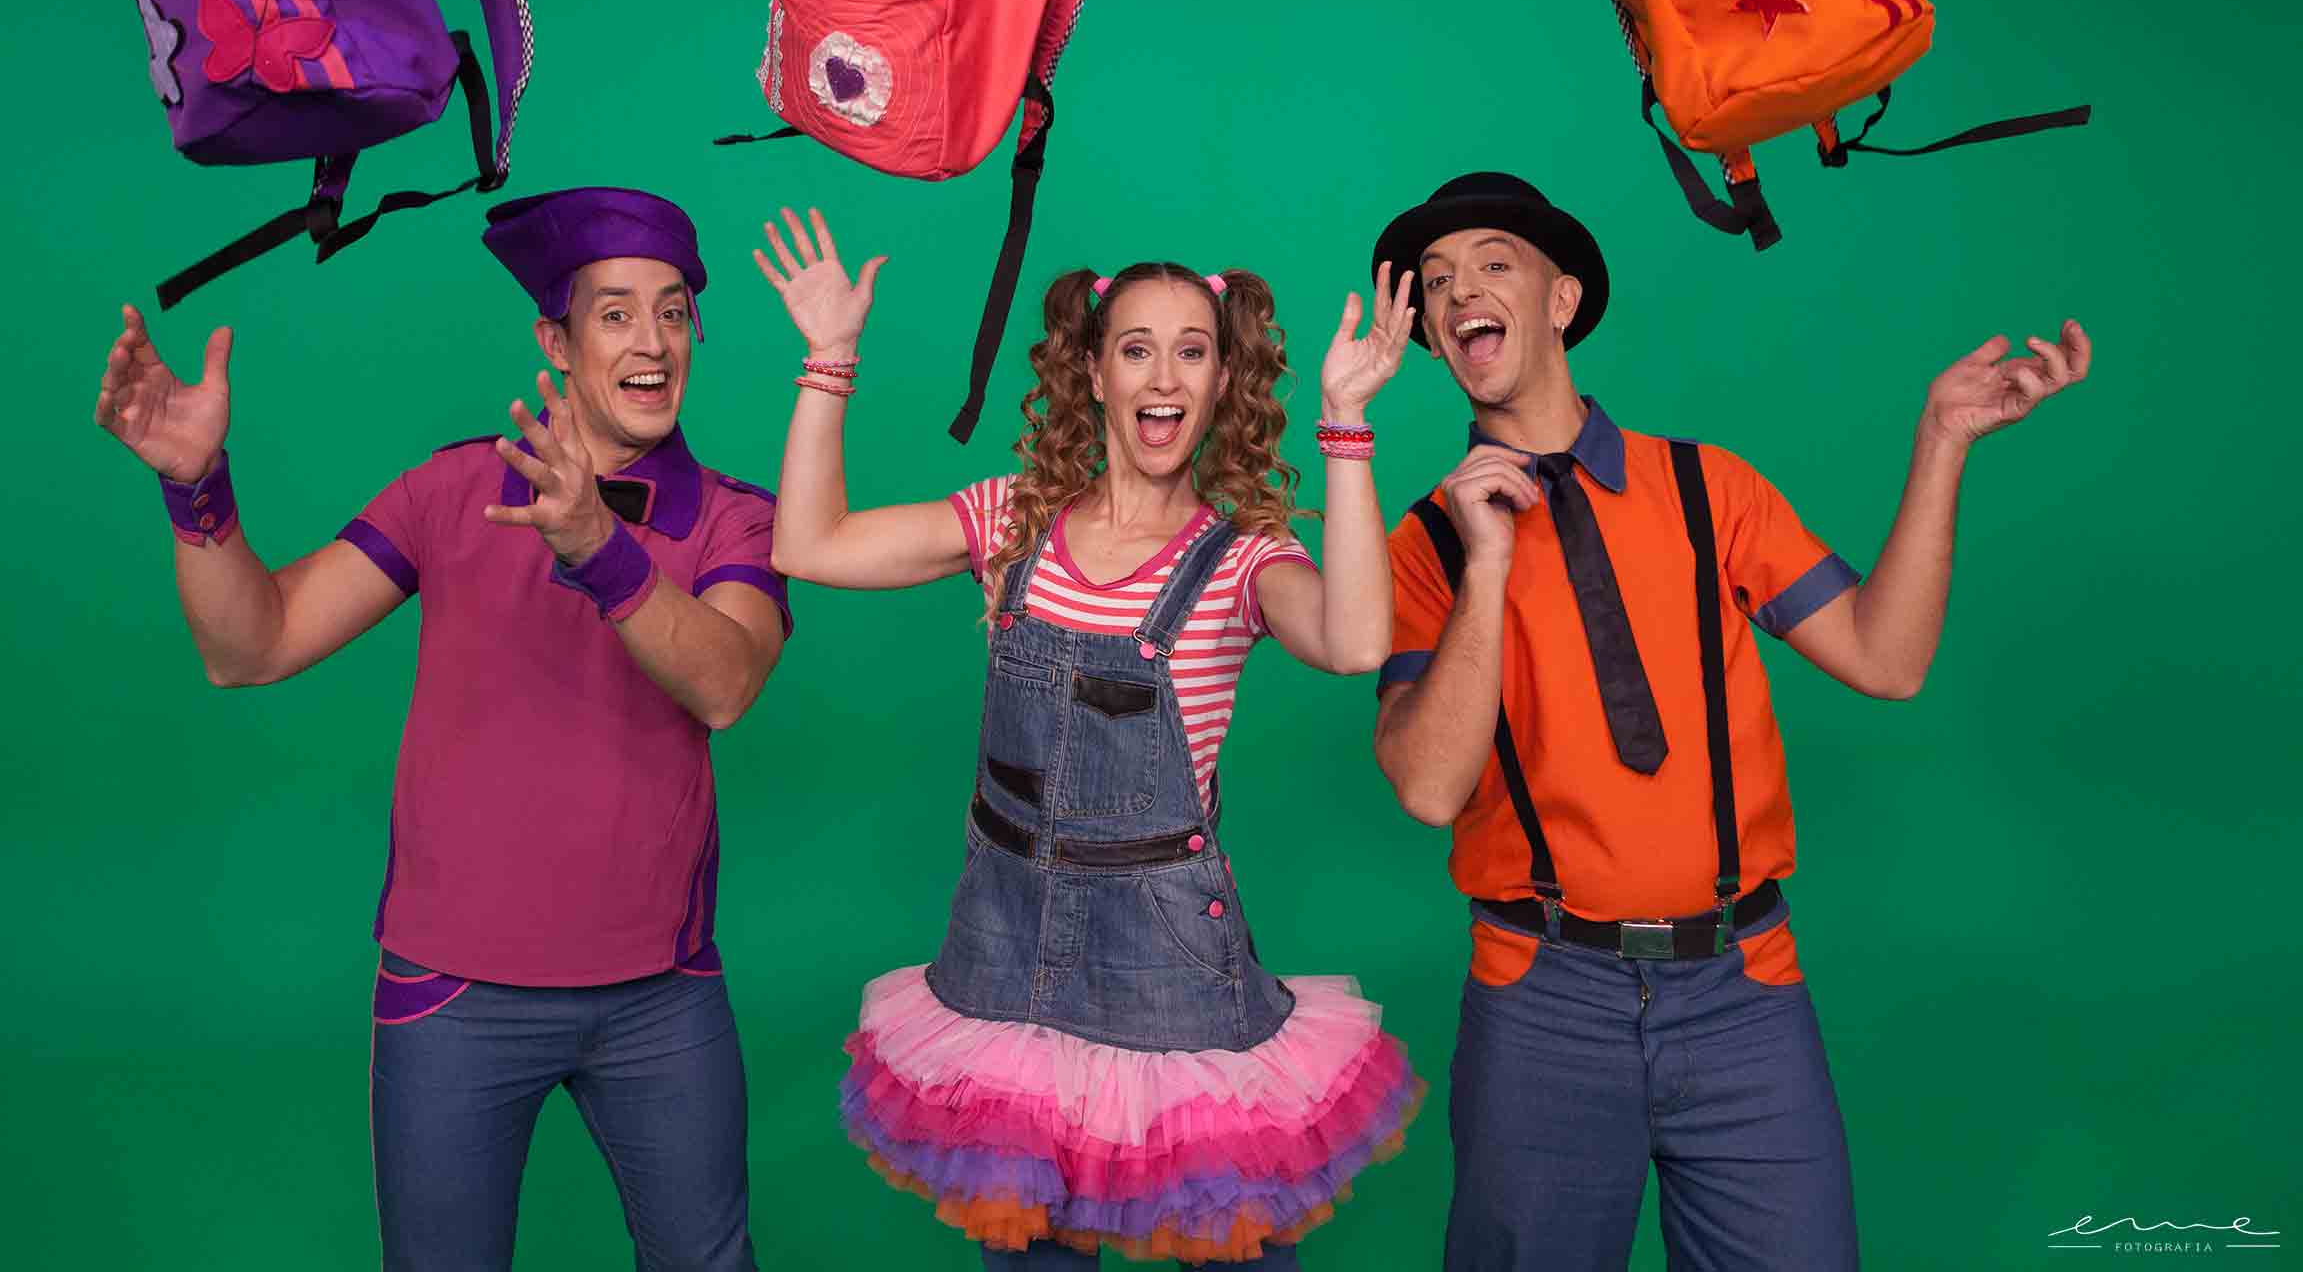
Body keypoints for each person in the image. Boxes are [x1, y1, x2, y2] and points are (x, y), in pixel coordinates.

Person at [1368, 172, 2094, 1271]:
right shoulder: (1424, 545)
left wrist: (1942, 440)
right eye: (1434, 282)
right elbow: (1427, 787)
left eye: (1491, 264)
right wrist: (1486, 561)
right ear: (1427, 332)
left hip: (1741, 988)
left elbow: (1886, 658)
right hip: (1540, 997)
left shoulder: (1709, 488)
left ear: (1560, 300)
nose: (1458, 289)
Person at [93, 187, 792, 1272]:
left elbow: (726, 681)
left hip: (662, 992)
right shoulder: (452, 487)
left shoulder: (736, 513)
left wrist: (598, 545)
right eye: (615, 313)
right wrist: (196, 490)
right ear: (554, 342)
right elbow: (253, 644)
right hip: (454, 995)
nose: (652, 343)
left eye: (672, 311)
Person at [753, 207, 1424, 1267]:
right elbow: (809, 543)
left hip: (1168, 958)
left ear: (1222, 382)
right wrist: (828, 359)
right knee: (1032, 1249)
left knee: (1228, 1239)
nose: (1164, 375)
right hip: (1006, 947)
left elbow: (1354, 642)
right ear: (1095, 371)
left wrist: (1345, 424)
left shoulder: (1240, 560)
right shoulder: (1011, 518)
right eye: (1137, 348)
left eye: (1192, 352)